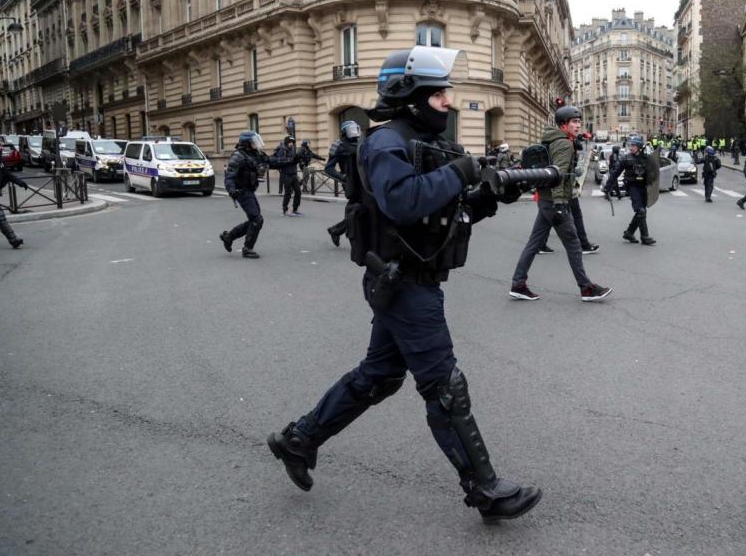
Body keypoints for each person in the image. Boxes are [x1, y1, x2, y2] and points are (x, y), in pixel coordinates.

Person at [267, 46, 542, 524]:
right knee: (444, 386)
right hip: (402, 283)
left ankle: (298, 440)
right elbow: (402, 203)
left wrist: (490, 196)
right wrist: (460, 173)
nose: (447, 101)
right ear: (411, 96)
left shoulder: (426, 143)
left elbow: (444, 217)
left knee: (379, 375)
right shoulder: (384, 143)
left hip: (413, 278)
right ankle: (485, 488)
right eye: (438, 94)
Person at [509, 105, 611, 302]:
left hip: (545, 200)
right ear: (563, 124)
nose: (578, 125)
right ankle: (586, 288)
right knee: (573, 244)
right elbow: (559, 174)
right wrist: (559, 204)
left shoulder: (550, 139)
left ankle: (518, 283)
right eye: (574, 122)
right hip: (555, 202)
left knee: (533, 243)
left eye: (579, 121)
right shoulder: (563, 144)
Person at [219, 131, 292, 258]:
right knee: (257, 220)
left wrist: (291, 160)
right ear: (246, 143)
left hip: (250, 190)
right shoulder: (238, 156)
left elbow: (271, 161)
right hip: (241, 191)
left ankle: (229, 236)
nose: (256, 144)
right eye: (254, 141)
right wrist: (231, 190)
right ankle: (247, 249)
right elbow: (229, 177)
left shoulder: (255, 154)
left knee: (254, 220)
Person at [605, 136, 656, 244]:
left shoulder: (647, 158)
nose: (631, 147)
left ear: (639, 147)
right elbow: (615, 173)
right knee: (640, 211)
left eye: (633, 145)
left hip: (644, 187)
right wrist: (607, 187)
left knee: (642, 212)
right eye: (630, 145)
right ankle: (645, 237)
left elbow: (654, 173)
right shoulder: (625, 158)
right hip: (633, 187)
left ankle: (629, 233)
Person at [324, 121, 362, 247]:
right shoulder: (339, 145)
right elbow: (329, 168)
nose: (355, 132)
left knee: (356, 208)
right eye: (351, 129)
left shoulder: (361, 142)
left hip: (364, 181)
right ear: (344, 132)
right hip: (351, 182)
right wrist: (344, 178)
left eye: (355, 128)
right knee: (361, 209)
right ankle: (339, 231)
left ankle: (340, 231)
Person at [0, 142, 28, 248]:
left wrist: (19, 182)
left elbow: (7, 174)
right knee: (0, 217)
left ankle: (13, 240)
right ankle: (13, 240)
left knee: (1, 218)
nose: (1, 149)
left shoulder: (0, 162)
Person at [274, 136, 302, 216]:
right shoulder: (282, 150)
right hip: (286, 174)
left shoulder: (293, 150)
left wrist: (298, 159)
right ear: (286, 142)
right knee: (288, 193)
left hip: (293, 174)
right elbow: (279, 160)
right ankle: (285, 210)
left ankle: (295, 209)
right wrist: (291, 160)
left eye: (293, 142)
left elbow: (294, 160)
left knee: (298, 192)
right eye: (290, 142)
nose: (292, 144)